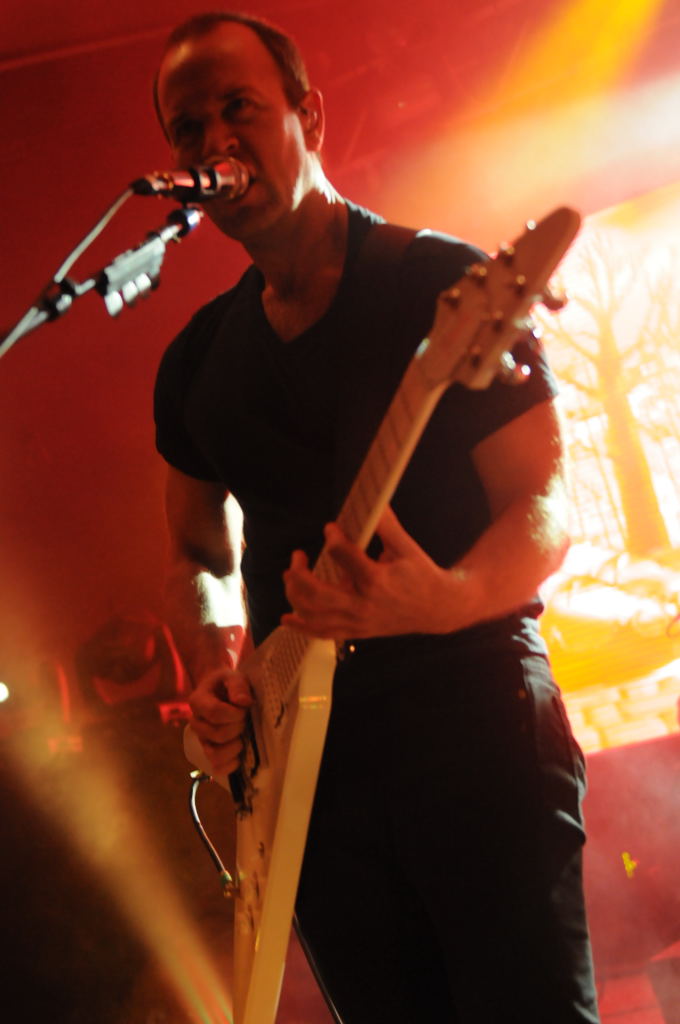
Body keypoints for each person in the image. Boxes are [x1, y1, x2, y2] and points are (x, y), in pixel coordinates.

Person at [152, 11, 601, 1023]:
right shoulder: (196, 359)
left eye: (239, 108)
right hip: (306, 769)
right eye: (188, 129)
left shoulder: (441, 284)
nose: (214, 140)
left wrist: (446, 597)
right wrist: (219, 659)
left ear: (308, 116)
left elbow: (544, 501)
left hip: (472, 721)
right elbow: (195, 548)